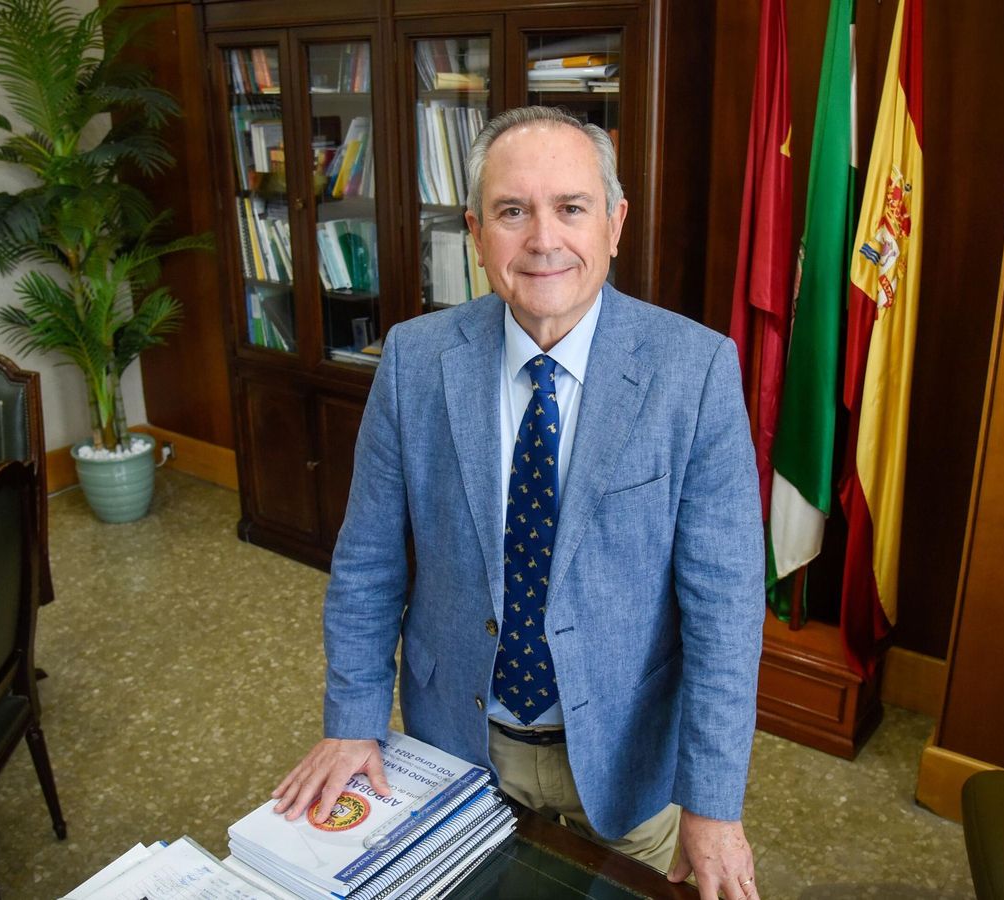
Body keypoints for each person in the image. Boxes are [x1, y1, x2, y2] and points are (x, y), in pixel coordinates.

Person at [271, 106, 764, 900]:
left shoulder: (696, 371)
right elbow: (367, 563)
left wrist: (712, 803)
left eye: (571, 207)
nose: (542, 239)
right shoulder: (414, 360)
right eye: (512, 211)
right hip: (457, 743)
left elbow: (726, 610)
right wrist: (353, 718)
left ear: (614, 222)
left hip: (626, 758)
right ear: (475, 231)